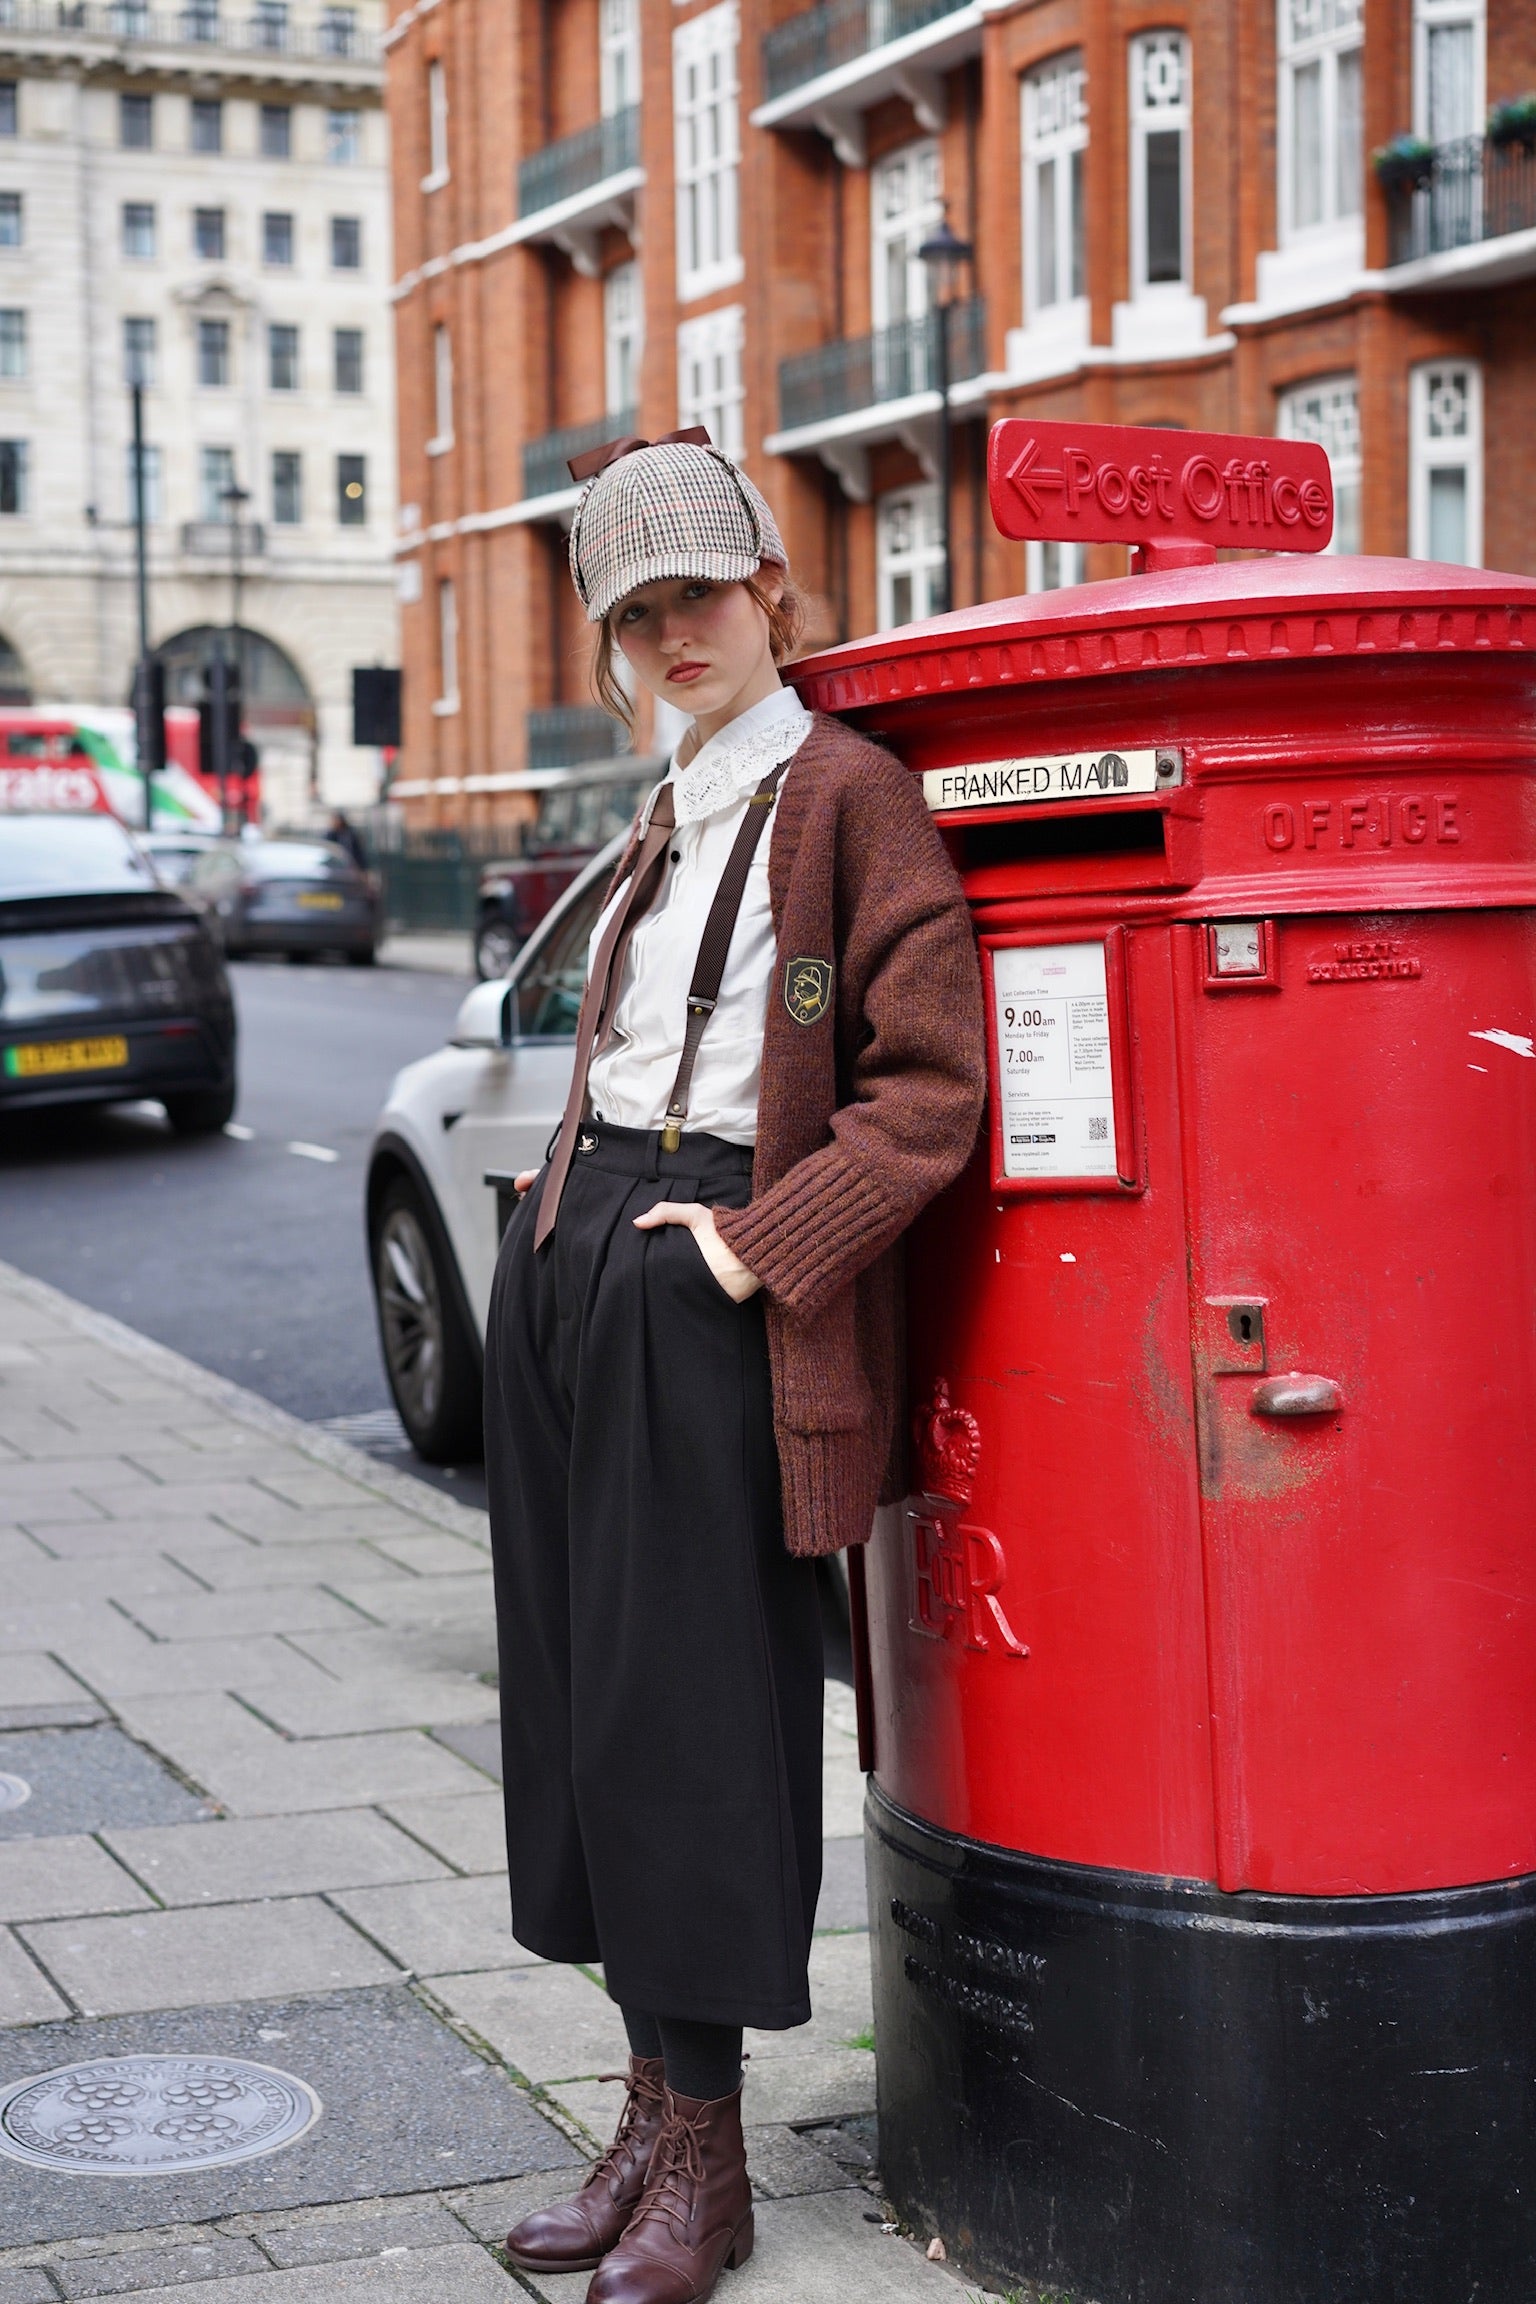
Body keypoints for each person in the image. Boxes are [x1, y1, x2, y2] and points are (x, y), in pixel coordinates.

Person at [485, 430, 986, 2304]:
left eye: (697, 592)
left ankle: (713, 2157)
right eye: (636, 610)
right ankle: (643, 2110)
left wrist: (753, 1255)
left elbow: (932, 1089)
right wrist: (546, 1225)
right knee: (588, 1715)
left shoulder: (849, 797)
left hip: (702, 1276)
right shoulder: (673, 803)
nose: (672, 629)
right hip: (577, 1264)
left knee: (699, 1723)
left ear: (770, 586)